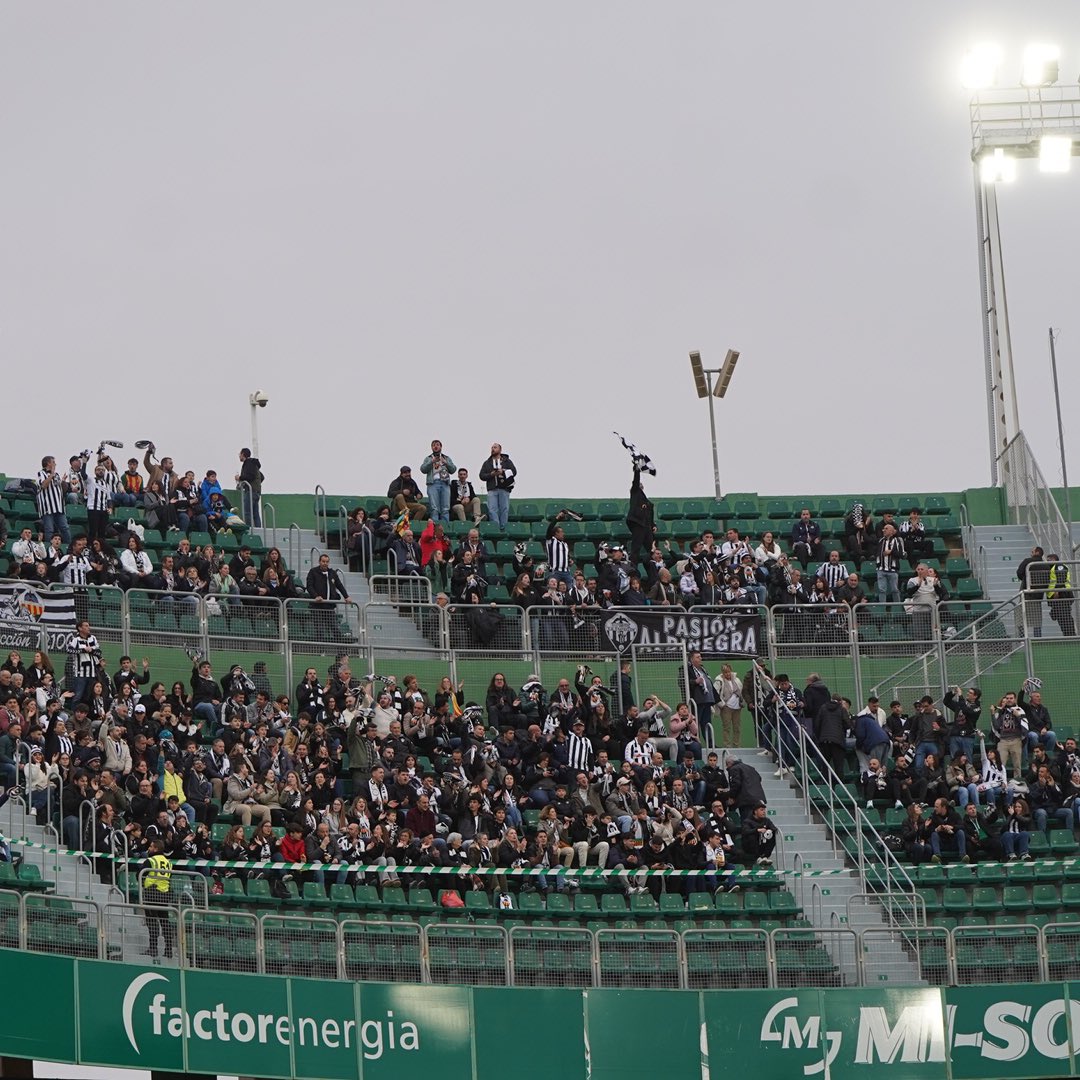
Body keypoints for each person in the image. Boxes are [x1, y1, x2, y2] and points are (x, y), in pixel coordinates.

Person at [142, 840, 176, 959]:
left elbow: (140, 875)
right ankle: (169, 950)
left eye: (151, 846)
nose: (149, 849)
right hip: (165, 894)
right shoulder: (168, 862)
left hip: (152, 893)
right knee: (165, 921)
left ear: (156, 849)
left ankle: (153, 948)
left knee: (152, 922)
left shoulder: (150, 861)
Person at [478, 443, 516, 531]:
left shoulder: (507, 461)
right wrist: (491, 474)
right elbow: (482, 475)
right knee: (492, 509)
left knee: (504, 509)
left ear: (500, 449)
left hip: (504, 488)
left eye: (495, 447)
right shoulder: (487, 463)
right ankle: (495, 527)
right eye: (492, 447)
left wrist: (503, 471)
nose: (492, 449)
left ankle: (503, 527)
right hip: (492, 489)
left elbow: (514, 471)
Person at [625, 460, 655, 573]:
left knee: (651, 549)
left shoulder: (645, 500)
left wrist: (653, 525)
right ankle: (633, 570)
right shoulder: (635, 492)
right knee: (636, 548)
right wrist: (637, 470)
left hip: (646, 526)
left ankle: (653, 569)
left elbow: (650, 513)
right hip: (638, 523)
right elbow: (636, 481)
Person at [683, 652, 716, 746]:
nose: (700, 658)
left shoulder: (702, 669)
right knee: (695, 723)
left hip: (707, 700)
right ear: (691, 659)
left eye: (700, 656)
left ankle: (710, 743)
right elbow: (682, 682)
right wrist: (695, 681)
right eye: (698, 657)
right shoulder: (687, 669)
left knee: (707, 723)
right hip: (697, 701)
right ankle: (695, 742)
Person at [420, 440, 456, 523]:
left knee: (445, 507)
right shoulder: (428, 458)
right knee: (434, 508)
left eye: (437, 445)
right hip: (433, 483)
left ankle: (445, 527)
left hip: (445, 483)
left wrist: (446, 463)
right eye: (433, 445)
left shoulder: (446, 458)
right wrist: (431, 462)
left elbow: (453, 469)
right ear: (431, 447)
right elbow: (423, 469)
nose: (435, 446)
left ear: (441, 447)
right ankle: (435, 527)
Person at [1016, 546, 1048, 637]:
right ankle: (1037, 638)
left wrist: (1025, 579)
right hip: (1038, 595)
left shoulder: (1027, 561)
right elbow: (1047, 580)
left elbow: (1019, 572)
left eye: (1032, 551)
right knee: (1037, 619)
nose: (1031, 553)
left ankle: (1022, 638)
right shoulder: (1045, 565)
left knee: (1021, 618)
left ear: (1037, 553)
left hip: (1026, 593)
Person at [1046, 555, 1076, 636]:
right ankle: (1068, 635)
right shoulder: (1053, 567)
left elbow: (1061, 578)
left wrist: (1057, 591)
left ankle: (1070, 635)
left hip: (1062, 595)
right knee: (1061, 616)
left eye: (1049, 560)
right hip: (1059, 595)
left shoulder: (1059, 566)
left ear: (1054, 559)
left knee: (1065, 617)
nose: (1047, 561)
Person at [875, 524, 905, 604]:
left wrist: (891, 551)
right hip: (881, 569)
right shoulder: (880, 540)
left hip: (893, 569)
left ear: (892, 531)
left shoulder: (897, 540)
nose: (883, 530)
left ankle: (897, 607)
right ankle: (882, 610)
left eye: (886, 528)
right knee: (881, 590)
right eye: (883, 528)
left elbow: (902, 555)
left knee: (895, 590)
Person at [236, 448, 263, 528]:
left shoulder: (248, 463)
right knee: (255, 514)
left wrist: (240, 478)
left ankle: (249, 530)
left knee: (247, 513)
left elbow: (250, 476)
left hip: (251, 492)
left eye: (240, 454)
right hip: (256, 492)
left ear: (243, 454)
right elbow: (262, 477)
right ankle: (259, 531)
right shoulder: (254, 464)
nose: (239, 456)